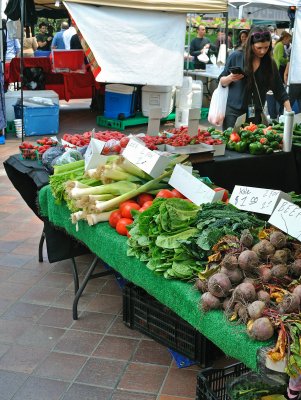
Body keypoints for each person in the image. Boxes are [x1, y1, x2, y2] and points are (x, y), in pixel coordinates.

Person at [219, 26, 292, 130]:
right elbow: (221, 81)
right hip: (233, 113)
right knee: (231, 144)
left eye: (266, 47)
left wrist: (290, 112)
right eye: (259, 48)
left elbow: (279, 89)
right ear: (251, 45)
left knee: (254, 145)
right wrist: (230, 78)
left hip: (255, 115)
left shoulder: (270, 63)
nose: (263, 51)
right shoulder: (236, 56)